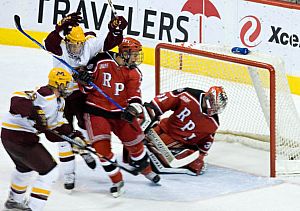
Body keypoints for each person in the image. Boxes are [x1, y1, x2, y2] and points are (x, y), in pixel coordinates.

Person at [44, 11, 128, 190]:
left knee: (85, 126)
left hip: (82, 94)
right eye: (73, 45)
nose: (77, 48)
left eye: (79, 44)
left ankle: (83, 148)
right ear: (67, 42)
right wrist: (59, 27)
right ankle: (69, 173)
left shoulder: (88, 44)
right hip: (62, 96)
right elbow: (48, 43)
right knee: (63, 135)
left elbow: (110, 42)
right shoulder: (60, 47)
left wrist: (115, 30)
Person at [75, 37, 160, 197]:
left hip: (121, 113)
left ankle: (146, 169)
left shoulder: (134, 73)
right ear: (124, 52)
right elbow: (85, 89)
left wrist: (133, 109)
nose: (136, 58)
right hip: (96, 111)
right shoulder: (101, 61)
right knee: (102, 151)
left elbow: (134, 96)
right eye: (134, 54)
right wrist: (84, 81)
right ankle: (116, 180)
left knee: (136, 145)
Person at [1, 68, 87, 211]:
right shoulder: (44, 94)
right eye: (66, 84)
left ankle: (14, 200)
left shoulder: (60, 102)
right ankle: (34, 208)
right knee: (50, 172)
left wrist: (74, 136)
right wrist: (34, 112)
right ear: (58, 84)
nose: (68, 87)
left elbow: (53, 131)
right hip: (20, 136)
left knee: (25, 169)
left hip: (12, 137)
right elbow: (16, 99)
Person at [143, 86, 228, 175]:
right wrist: (151, 111)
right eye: (214, 105)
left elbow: (205, 144)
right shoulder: (188, 94)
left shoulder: (213, 124)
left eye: (217, 108)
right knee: (138, 135)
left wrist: (199, 158)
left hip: (176, 140)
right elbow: (163, 101)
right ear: (208, 98)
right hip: (163, 127)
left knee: (150, 151)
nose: (215, 109)